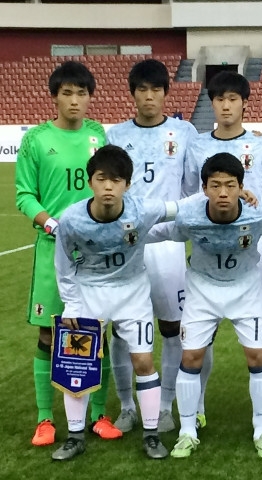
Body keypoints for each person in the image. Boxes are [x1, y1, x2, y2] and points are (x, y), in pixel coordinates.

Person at [151, 153, 262, 460]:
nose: (223, 192)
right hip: (202, 290)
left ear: (242, 187)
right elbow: (157, 230)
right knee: (191, 357)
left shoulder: (257, 215)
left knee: (258, 356)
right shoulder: (190, 217)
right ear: (204, 189)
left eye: (230, 185)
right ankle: (187, 432)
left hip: (246, 289)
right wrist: (121, 231)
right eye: (215, 185)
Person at [15, 60, 120, 447]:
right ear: (54, 97)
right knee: (48, 334)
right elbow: (24, 195)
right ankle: (45, 419)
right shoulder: (36, 140)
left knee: (97, 331)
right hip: (52, 249)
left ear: (90, 97)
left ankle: (99, 415)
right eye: (67, 93)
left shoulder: (97, 134)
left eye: (82, 93)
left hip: (94, 251)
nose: (75, 100)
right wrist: (52, 224)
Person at [53, 145, 176, 460]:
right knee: (78, 364)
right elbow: (63, 267)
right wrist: (71, 305)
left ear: (128, 184)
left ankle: (151, 435)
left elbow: (180, 207)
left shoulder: (142, 210)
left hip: (132, 293)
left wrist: (232, 196)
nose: (109, 186)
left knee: (143, 362)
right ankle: (75, 437)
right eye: (102, 178)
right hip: (88, 292)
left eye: (116, 180)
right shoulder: (72, 219)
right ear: (90, 182)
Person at [183, 71, 262, 426]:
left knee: (260, 330)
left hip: (250, 250)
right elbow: (189, 194)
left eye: (233, 99)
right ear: (211, 103)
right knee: (201, 336)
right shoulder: (196, 146)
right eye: (219, 99)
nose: (226, 106)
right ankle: (196, 409)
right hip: (207, 248)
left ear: (244, 103)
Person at [106, 59, 199, 434]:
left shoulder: (185, 132)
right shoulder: (116, 134)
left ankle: (164, 406)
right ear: (132, 94)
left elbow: (193, 186)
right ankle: (127, 406)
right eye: (142, 90)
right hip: (127, 244)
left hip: (169, 245)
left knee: (172, 327)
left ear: (165, 93)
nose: (149, 96)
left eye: (156, 89)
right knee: (120, 328)